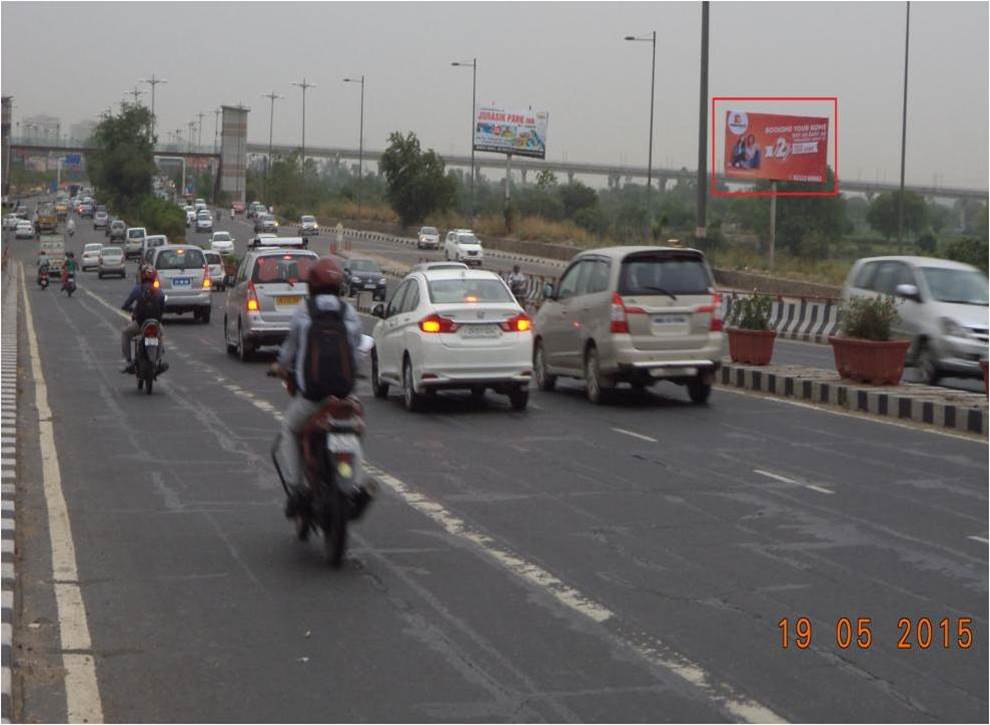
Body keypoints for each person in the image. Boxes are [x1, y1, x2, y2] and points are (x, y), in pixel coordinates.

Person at [271, 257, 364, 522]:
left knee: (289, 428)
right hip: (343, 395)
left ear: (312, 285)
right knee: (356, 429)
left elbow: (289, 349)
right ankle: (355, 484)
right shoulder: (349, 312)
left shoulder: (303, 311)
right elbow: (356, 350)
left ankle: (298, 488)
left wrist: (279, 367)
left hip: (312, 397)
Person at [120, 265, 165, 373]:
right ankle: (159, 356)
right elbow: (163, 307)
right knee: (161, 335)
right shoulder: (159, 291)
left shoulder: (137, 289)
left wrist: (127, 308)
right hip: (155, 324)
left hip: (141, 324)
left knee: (125, 334)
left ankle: (129, 360)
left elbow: (127, 304)